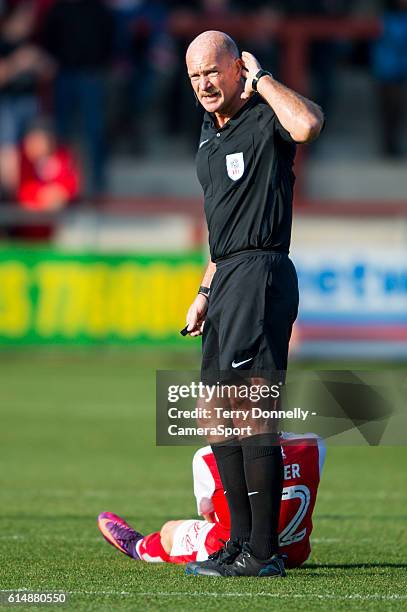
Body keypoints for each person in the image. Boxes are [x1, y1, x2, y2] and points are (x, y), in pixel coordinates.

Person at [181, 30, 324, 578]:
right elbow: (222, 229)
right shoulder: (208, 134)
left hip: (262, 274)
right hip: (228, 280)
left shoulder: (266, 115)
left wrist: (263, 79)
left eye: (213, 72)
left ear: (237, 67)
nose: (204, 84)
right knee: (214, 410)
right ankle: (238, 543)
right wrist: (204, 290)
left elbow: (308, 125)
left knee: (252, 409)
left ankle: (263, 552)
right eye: (195, 77)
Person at [98, 433, 326, 568]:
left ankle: (137, 546)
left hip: (236, 550)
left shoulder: (206, 456)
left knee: (170, 531)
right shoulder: (314, 444)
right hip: (296, 553)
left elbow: (209, 514)